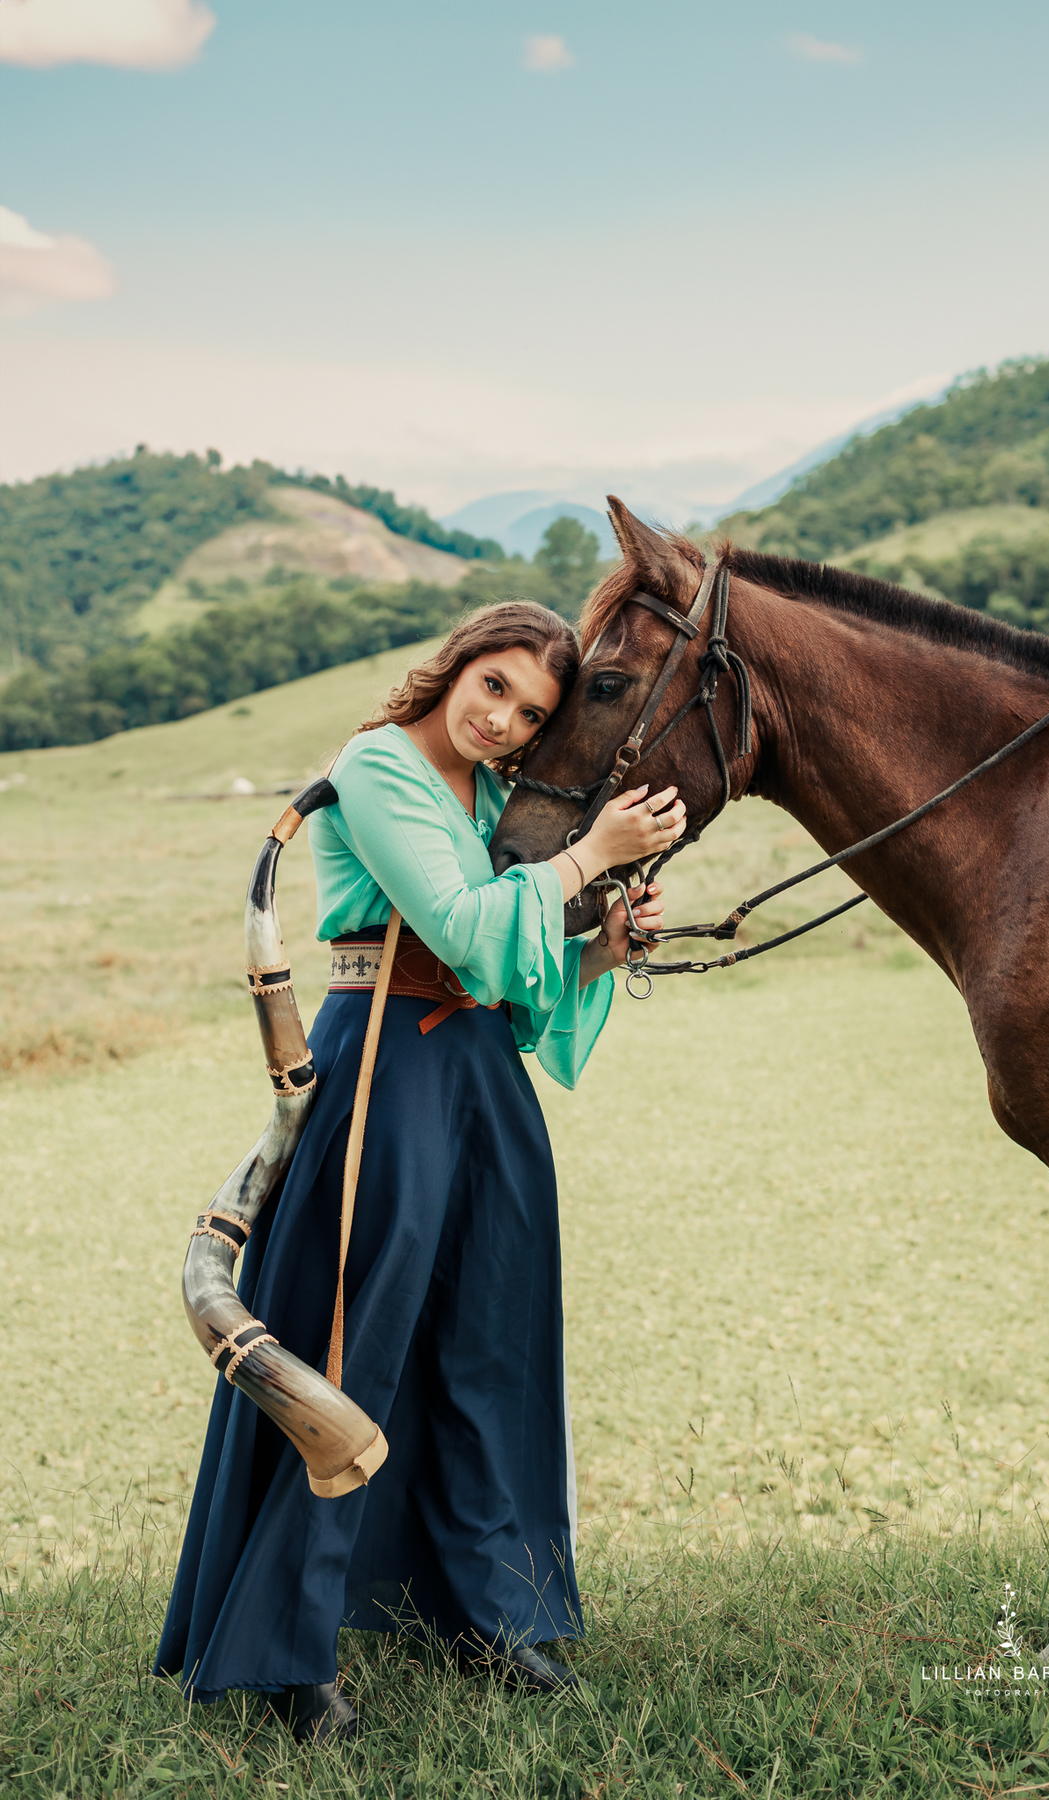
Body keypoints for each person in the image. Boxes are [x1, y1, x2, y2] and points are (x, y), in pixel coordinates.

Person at [154, 601, 687, 1740]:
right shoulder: (378, 766)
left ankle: (493, 1610)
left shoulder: (497, 799)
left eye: (531, 713)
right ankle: (294, 1654)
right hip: (384, 1072)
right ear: (457, 665)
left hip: (485, 1078)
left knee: (490, 1346)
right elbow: (456, 924)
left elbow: (514, 967)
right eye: (495, 686)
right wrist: (593, 858)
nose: (503, 721)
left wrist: (601, 943)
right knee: (356, 1350)